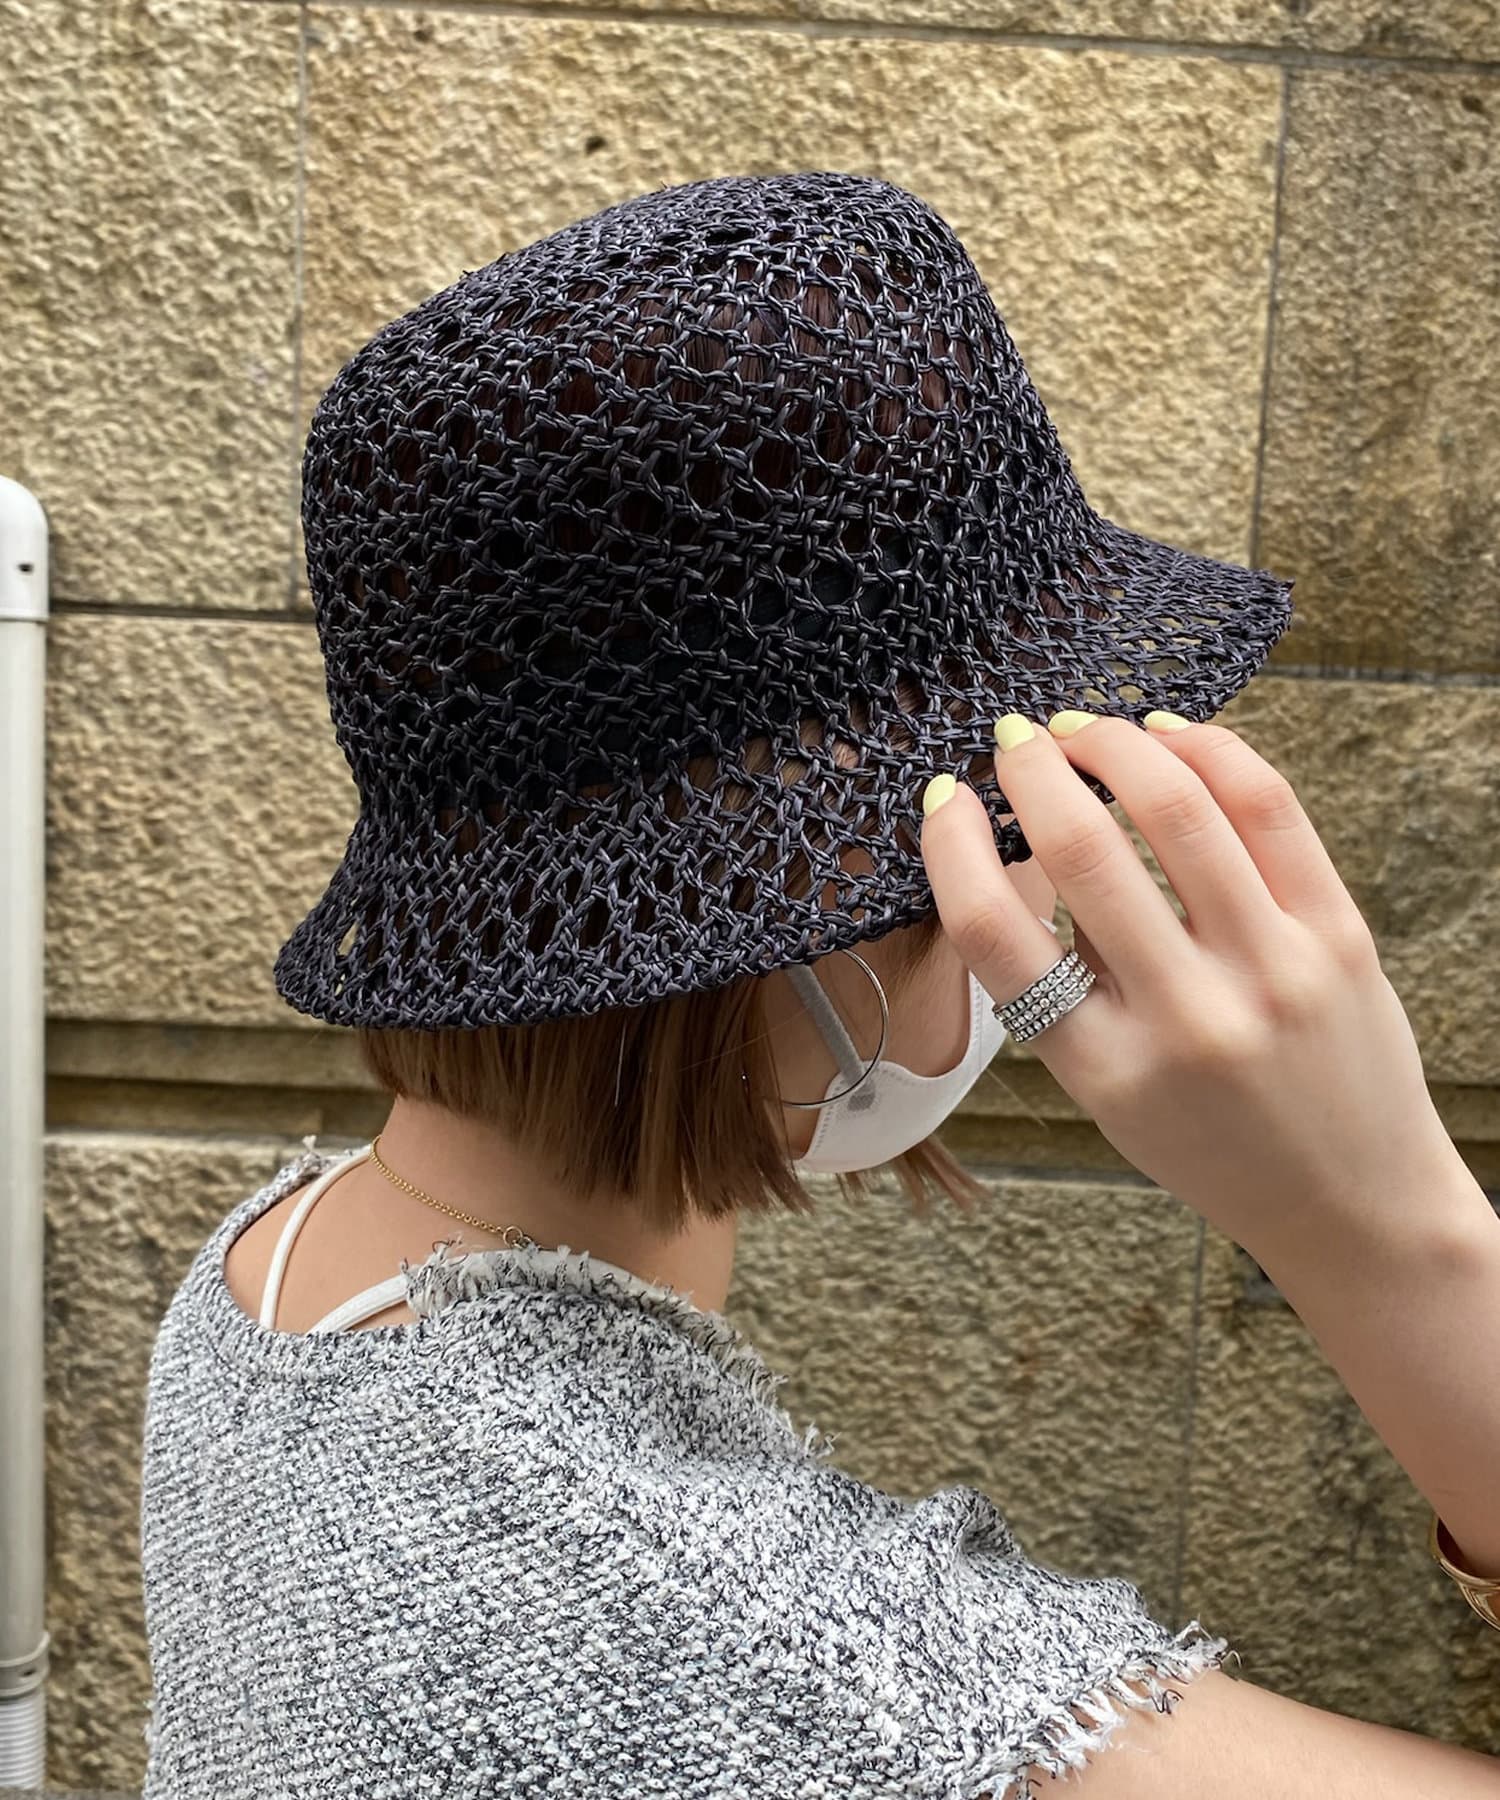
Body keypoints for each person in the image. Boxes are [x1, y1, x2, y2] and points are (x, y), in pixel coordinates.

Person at [139, 170, 1499, 1797]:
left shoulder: (261, 1284)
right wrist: (1387, 1230)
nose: (1060, 884)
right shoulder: (820, 1679)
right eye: (1021, 813)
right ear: (817, 881)